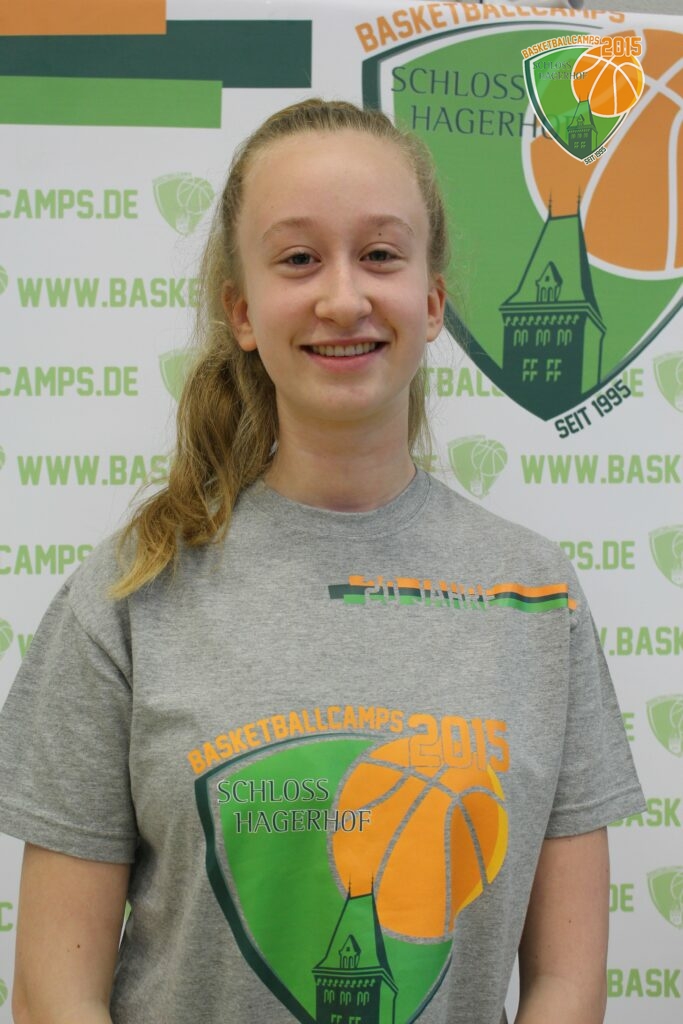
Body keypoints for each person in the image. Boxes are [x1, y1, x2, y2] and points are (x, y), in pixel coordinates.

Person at [0, 99, 644, 1024]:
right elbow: (52, 994)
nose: (343, 298)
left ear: (432, 303)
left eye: (379, 254)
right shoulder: (130, 594)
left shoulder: (536, 596)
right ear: (242, 311)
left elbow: (565, 986)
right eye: (298, 258)